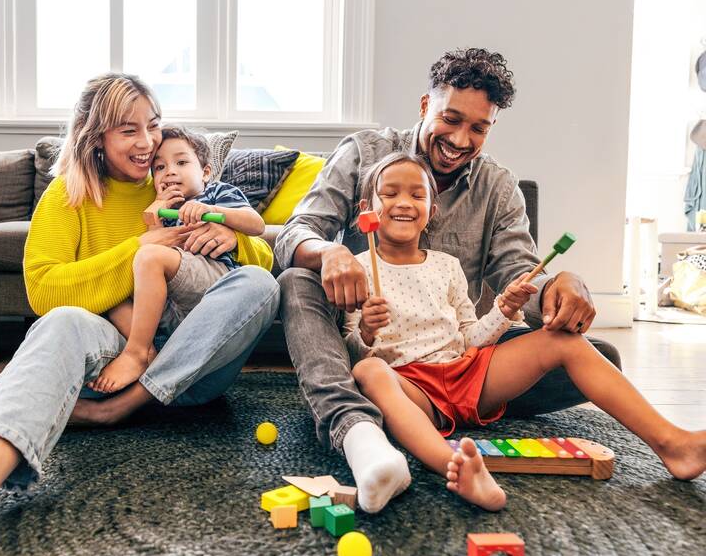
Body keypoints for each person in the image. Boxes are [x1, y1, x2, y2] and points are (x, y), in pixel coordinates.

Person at [0, 73, 279, 556]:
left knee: (260, 284)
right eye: (128, 130)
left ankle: (122, 409)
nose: (148, 144)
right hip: (113, 360)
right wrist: (138, 248)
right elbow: (43, 291)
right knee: (60, 321)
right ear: (94, 136)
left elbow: (257, 269)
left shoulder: (177, 181)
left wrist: (236, 240)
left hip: (198, 362)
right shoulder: (67, 197)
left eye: (153, 125)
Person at [274, 47, 623, 513]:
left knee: (601, 356)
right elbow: (297, 232)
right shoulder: (363, 152)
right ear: (425, 106)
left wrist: (559, 285)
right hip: (362, 353)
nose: (460, 139)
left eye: (478, 128)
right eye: (450, 118)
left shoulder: (498, 187)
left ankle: (426, 409)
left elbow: (519, 273)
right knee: (297, 278)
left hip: (455, 354)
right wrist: (332, 251)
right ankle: (356, 423)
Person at [344, 152, 705, 512]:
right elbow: (353, 351)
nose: (403, 203)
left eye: (417, 195)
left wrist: (504, 308)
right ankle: (455, 468)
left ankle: (673, 443)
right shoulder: (356, 270)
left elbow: (470, 337)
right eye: (390, 194)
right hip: (413, 390)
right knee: (368, 371)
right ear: (367, 209)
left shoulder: (447, 266)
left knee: (563, 341)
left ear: (432, 211)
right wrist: (367, 330)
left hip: (465, 372)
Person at [89, 126, 265, 393]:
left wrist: (212, 211)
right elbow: (150, 256)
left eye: (181, 162)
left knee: (149, 257)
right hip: (171, 303)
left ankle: (134, 353)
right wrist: (153, 221)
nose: (169, 171)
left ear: (205, 172)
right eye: (159, 168)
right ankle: (150, 355)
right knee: (111, 295)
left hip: (213, 281)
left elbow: (256, 224)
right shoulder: (161, 207)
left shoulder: (216, 192)